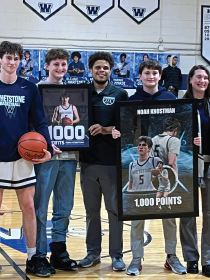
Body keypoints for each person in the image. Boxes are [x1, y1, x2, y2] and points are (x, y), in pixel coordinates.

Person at [0, 41, 53, 279]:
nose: (12, 62)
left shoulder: (29, 88)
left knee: (28, 207)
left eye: (17, 58)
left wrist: (46, 147)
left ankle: (32, 257)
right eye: (8, 57)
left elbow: (40, 121)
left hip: (23, 159)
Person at [125, 59, 186, 276]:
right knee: (137, 215)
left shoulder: (170, 99)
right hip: (141, 163)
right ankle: (136, 258)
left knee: (169, 214)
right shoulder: (132, 101)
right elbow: (127, 132)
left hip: (163, 165)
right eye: (147, 73)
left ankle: (171, 256)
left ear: (160, 76)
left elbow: (180, 126)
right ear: (140, 76)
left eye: (154, 73)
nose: (151, 76)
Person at [78, 51, 128, 271]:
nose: (101, 70)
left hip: (111, 162)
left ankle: (116, 255)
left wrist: (105, 130)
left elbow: (127, 127)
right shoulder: (79, 93)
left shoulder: (120, 94)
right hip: (87, 161)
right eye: (97, 67)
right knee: (91, 211)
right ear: (91, 70)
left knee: (114, 211)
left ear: (111, 70)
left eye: (105, 67)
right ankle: (92, 253)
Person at [180, 65, 210, 278]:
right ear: (190, 80)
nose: (202, 81)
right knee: (188, 213)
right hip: (187, 166)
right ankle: (191, 258)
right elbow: (172, 134)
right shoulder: (182, 105)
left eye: (206, 78)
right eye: (198, 77)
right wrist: (187, 140)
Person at [34, 48, 78, 275]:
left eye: (63, 64)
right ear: (47, 66)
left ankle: (58, 250)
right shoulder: (38, 90)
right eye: (56, 64)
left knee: (64, 207)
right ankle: (38, 254)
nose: (60, 68)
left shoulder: (76, 92)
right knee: (40, 207)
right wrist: (44, 145)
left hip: (70, 156)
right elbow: (32, 123)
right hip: (45, 157)